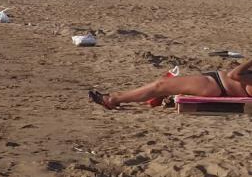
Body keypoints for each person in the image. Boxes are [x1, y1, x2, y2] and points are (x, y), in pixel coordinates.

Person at [90, 58, 252, 109]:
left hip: (214, 85)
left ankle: (113, 99)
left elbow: (234, 74)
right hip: (215, 82)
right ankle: (160, 98)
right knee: (163, 84)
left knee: (160, 85)